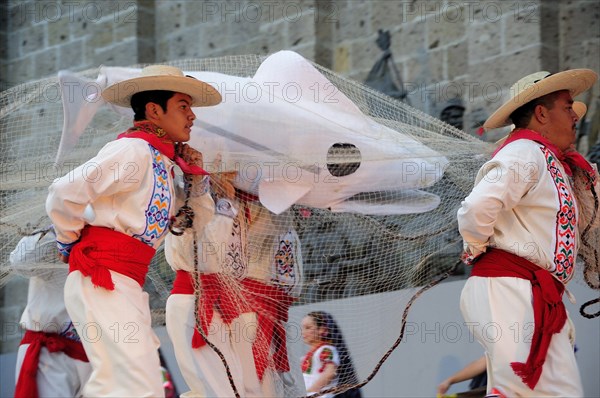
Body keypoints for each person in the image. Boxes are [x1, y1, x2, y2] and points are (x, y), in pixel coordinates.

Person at [45, 65, 221, 397]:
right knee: (136, 383)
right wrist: (67, 240)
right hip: (102, 275)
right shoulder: (134, 150)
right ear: (155, 110)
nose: (192, 116)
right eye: (184, 106)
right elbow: (63, 192)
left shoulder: (166, 164)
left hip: (123, 280)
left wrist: (198, 179)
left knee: (126, 382)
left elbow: (198, 219)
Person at [457, 69, 599, 397]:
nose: (574, 115)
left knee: (524, 392)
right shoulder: (524, 153)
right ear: (541, 113)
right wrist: (476, 245)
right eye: (567, 106)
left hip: (527, 293)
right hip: (512, 290)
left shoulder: (551, 161)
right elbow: (476, 208)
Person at [164, 153, 304, 397]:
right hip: (209, 299)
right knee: (229, 388)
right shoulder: (188, 199)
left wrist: (224, 200)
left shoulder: (255, 209)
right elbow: (201, 256)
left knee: (243, 388)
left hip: (240, 303)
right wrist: (220, 199)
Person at [10, 226, 92, 397]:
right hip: (50, 355)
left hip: (94, 355)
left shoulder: (115, 223)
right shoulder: (60, 227)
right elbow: (20, 261)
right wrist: (60, 225)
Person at [300, 311, 362, 398]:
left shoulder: (326, 350)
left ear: (323, 330)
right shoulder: (311, 354)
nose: (303, 332)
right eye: (303, 328)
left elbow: (330, 373)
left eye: (308, 327)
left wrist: (312, 390)